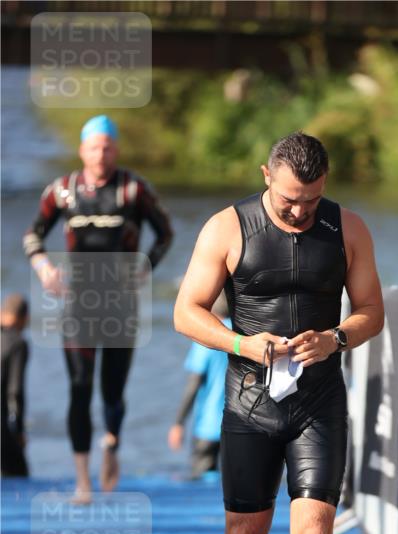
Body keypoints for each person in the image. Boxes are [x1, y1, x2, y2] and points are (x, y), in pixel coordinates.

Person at [174, 131, 384, 534]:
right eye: (290, 199)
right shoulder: (227, 227)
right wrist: (242, 343)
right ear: (266, 175)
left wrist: (336, 337)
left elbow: (372, 312)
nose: (299, 211)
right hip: (250, 404)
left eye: (311, 201)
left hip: (318, 405)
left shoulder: (349, 229)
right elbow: (186, 313)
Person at [23, 114, 173, 502]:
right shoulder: (64, 191)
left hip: (121, 303)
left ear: (116, 149)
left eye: (107, 147)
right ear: (82, 150)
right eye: (94, 147)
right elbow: (32, 235)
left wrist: (145, 267)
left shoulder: (132, 190)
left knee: (112, 392)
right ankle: (82, 480)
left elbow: (166, 233)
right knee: (78, 387)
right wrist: (43, 269)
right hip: (79, 303)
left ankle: (111, 442)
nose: (101, 154)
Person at [168, 293, 231, 478]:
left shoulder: (208, 337)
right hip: (241, 423)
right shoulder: (242, 334)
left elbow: (193, 384)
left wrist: (179, 423)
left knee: (203, 483)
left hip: (209, 426)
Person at [1, 294, 30, 478]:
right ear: (24, 318)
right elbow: (15, 391)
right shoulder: (18, 343)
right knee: (19, 474)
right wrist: (18, 432)